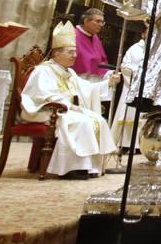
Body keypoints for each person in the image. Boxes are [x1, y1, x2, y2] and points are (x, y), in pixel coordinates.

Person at [20, 22, 118, 178]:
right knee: (82, 122)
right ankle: (71, 169)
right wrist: (69, 106)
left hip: (64, 110)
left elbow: (88, 88)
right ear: (56, 54)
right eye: (70, 52)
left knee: (97, 119)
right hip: (45, 111)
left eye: (75, 52)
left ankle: (89, 167)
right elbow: (41, 94)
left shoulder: (69, 72)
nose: (75, 56)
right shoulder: (43, 71)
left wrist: (109, 82)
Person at [72, 8, 115, 106]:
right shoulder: (73, 34)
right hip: (77, 82)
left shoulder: (95, 38)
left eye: (102, 22)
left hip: (93, 84)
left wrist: (109, 73)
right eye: (98, 21)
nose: (101, 25)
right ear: (86, 21)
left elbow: (101, 60)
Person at [111, 28, 146, 150]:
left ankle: (141, 145)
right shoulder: (135, 49)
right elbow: (125, 65)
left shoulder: (155, 50)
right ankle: (125, 143)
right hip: (132, 86)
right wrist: (138, 72)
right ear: (143, 34)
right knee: (129, 113)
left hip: (147, 88)